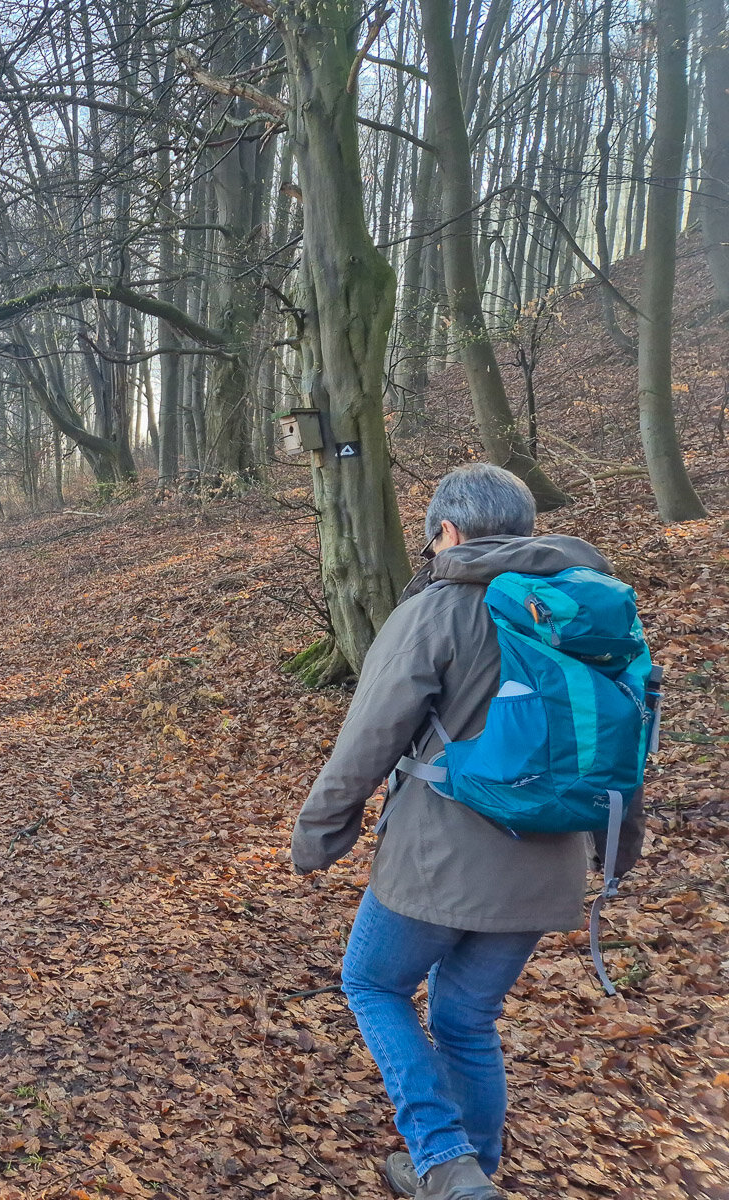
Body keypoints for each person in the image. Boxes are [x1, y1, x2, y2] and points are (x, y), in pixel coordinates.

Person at [291, 463, 646, 1200]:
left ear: (447, 532)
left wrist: (320, 831)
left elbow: (369, 736)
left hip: (439, 857)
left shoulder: (440, 609)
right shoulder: (590, 611)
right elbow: (624, 742)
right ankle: (473, 1174)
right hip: (553, 859)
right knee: (467, 1017)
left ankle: (445, 1157)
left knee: (372, 983)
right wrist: (616, 850)